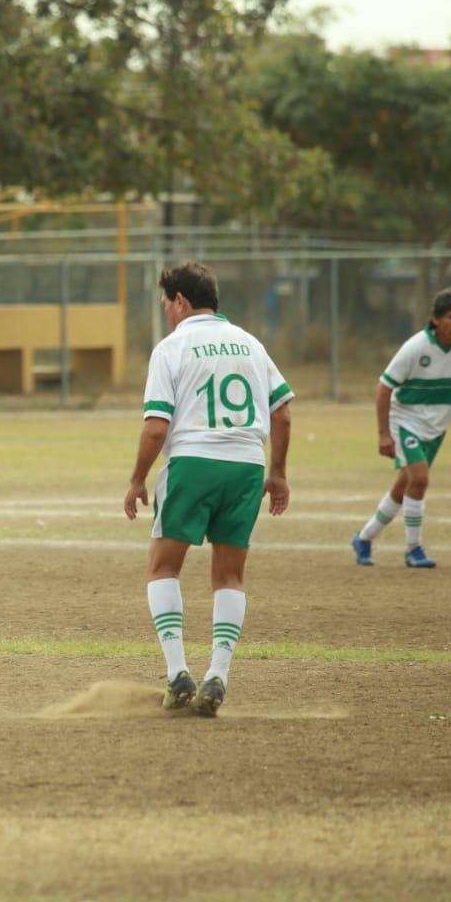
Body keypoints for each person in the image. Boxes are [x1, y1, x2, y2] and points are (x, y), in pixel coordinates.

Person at [124, 263, 293, 717]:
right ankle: (218, 674)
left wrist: (138, 477)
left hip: (194, 462)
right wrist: (277, 472)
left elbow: (157, 428)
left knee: (163, 567)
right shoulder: (251, 344)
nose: (166, 313)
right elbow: (282, 413)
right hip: (246, 467)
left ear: (180, 301)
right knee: (230, 576)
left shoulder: (171, 347)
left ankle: (178, 671)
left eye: (166, 304)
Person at [351, 287, 451, 568]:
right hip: (404, 420)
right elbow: (384, 389)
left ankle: (364, 538)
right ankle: (413, 548)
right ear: (436, 320)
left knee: (405, 484)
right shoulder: (416, 347)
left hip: (437, 427)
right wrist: (384, 434)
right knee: (419, 479)